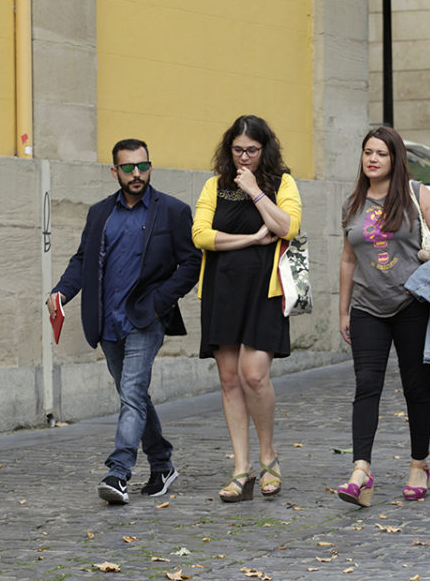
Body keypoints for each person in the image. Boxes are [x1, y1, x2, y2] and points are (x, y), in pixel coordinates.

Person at [47, 138, 202, 504]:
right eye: (128, 167)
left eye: (143, 166)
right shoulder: (100, 212)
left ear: (150, 166)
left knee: (131, 393)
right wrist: (61, 293)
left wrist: (161, 301)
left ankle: (118, 473)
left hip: (146, 319)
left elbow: (192, 263)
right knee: (132, 395)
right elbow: (83, 260)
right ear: (114, 171)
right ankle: (162, 464)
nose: (137, 174)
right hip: (107, 320)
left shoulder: (172, 212)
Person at [336, 125, 430, 507]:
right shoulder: (353, 202)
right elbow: (347, 259)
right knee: (366, 386)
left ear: (395, 158)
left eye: (381, 154)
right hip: (367, 307)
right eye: (368, 152)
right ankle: (361, 469)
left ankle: (419, 464)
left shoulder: (416, 194)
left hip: (411, 306)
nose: (372, 159)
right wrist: (343, 310)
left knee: (415, 387)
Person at [192, 115, 302, 503]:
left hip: (264, 291)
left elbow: (288, 226)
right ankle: (241, 467)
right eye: (237, 150)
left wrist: (256, 191)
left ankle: (268, 454)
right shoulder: (214, 186)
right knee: (229, 379)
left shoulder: (281, 183)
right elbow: (201, 235)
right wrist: (253, 238)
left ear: (264, 149)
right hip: (222, 291)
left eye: (251, 151)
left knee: (254, 375)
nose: (243, 158)